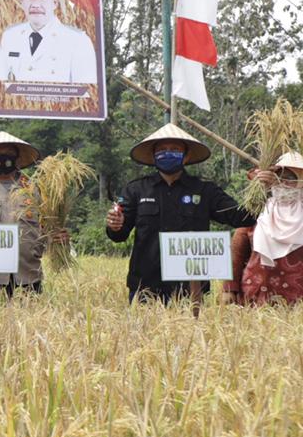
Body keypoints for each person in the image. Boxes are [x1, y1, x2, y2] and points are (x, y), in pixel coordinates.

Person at [105, 123, 256, 303]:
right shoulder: (137, 189)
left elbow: (242, 217)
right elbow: (119, 235)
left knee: (191, 331)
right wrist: (115, 225)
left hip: (191, 289)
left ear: (186, 156)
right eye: (162, 149)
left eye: (174, 149)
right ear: (153, 156)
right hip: (145, 287)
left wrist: (262, 188)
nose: (168, 153)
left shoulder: (205, 190)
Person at [0, 131, 62, 300]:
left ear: (17, 159)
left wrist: (58, 238)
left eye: (8, 154)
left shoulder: (34, 189)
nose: (3, 159)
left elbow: (48, 226)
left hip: (28, 273)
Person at [0, 0, 97, 83]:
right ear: (21, 1)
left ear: (55, 2)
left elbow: (85, 93)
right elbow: (2, 86)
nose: (35, 5)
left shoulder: (77, 41)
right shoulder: (10, 36)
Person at [227, 153, 303, 304]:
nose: (284, 182)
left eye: (291, 177)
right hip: (256, 298)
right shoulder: (257, 214)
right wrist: (229, 289)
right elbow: (237, 253)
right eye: (279, 176)